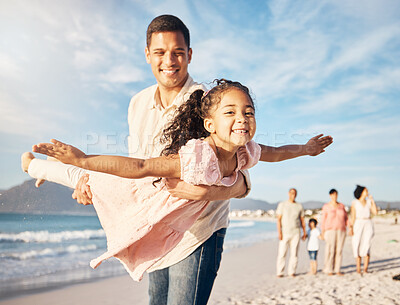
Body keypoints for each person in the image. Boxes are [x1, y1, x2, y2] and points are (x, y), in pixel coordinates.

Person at [28, 15, 332, 305]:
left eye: (177, 52)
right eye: (160, 52)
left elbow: (247, 165)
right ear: (148, 54)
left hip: (198, 232)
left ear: (189, 54)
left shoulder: (208, 102)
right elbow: (138, 166)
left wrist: (304, 149)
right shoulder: (138, 103)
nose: (169, 60)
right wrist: (83, 167)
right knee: (156, 299)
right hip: (157, 223)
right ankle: (50, 168)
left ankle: (52, 168)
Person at [276, 188, 307, 277]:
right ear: (288, 194)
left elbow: (302, 220)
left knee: (294, 254)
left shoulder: (299, 206)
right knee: (282, 253)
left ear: (296, 195)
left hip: (296, 232)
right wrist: (280, 232)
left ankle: (292, 271)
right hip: (285, 232)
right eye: (291, 193)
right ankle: (280, 272)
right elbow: (279, 219)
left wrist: (304, 232)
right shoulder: (282, 205)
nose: (293, 195)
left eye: (294, 193)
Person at [320, 188, 349, 276]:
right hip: (330, 230)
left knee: (339, 250)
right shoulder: (326, 206)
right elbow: (323, 220)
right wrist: (322, 232)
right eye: (333, 195)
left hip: (341, 230)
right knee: (330, 250)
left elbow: (346, 218)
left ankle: (337, 269)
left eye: (336, 194)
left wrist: (350, 227)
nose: (334, 196)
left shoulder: (341, 206)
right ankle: (329, 269)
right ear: (330, 196)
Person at [350, 185, 377, 274]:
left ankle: (365, 269)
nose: (367, 192)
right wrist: (351, 227)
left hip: (368, 222)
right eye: (366, 190)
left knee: (367, 244)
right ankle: (358, 268)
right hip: (358, 223)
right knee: (356, 243)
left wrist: (372, 201)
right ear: (361, 192)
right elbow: (353, 216)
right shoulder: (355, 202)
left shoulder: (369, 202)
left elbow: (375, 212)